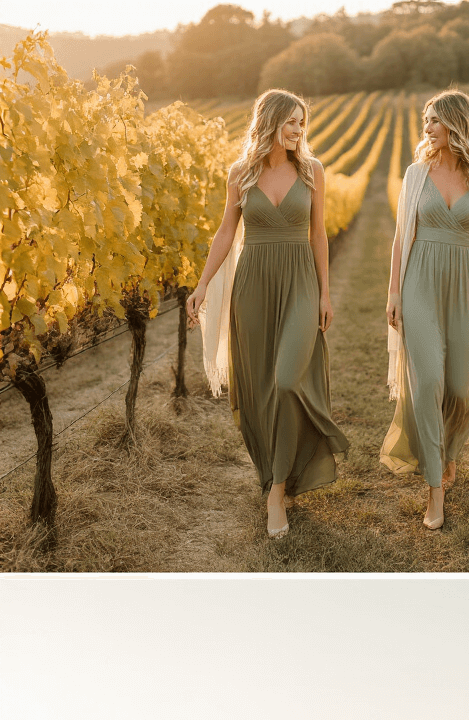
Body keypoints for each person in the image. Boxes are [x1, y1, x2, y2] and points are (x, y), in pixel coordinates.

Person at [186, 89, 348, 539]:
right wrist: (202, 284)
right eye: (291, 121)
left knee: (288, 381)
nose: (299, 129)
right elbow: (226, 231)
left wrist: (325, 294)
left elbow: (318, 235)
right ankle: (277, 476)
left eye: (302, 122)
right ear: (270, 122)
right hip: (253, 286)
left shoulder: (312, 171)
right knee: (261, 388)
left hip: (300, 283)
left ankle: (277, 492)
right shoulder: (241, 173)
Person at [381, 90, 469, 531]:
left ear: (457, 123)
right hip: (419, 281)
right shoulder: (416, 173)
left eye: (434, 120)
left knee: (460, 387)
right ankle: (434, 487)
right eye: (426, 120)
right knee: (428, 382)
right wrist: (394, 292)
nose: (427, 128)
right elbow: (402, 235)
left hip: (466, 287)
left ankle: (448, 450)